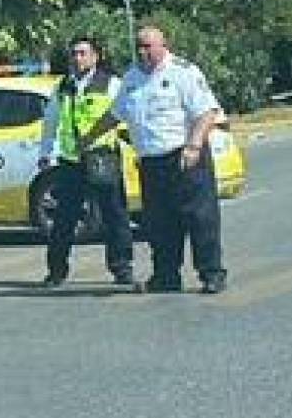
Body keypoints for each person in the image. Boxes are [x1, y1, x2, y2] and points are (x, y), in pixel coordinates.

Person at [78, 25, 227, 294]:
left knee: (200, 219)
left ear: (163, 45)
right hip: (151, 162)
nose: (143, 52)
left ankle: (211, 273)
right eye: (139, 47)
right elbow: (116, 114)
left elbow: (207, 112)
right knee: (159, 223)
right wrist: (89, 137)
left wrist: (194, 145)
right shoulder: (132, 78)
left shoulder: (183, 72)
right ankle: (166, 275)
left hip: (184, 157)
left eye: (148, 46)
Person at [37, 36, 133, 287]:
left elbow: (127, 114)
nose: (77, 59)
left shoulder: (111, 84)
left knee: (114, 215)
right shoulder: (64, 86)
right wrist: (45, 152)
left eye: (82, 53)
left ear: (95, 57)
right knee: (64, 218)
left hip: (102, 156)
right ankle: (57, 271)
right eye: (74, 54)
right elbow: (51, 121)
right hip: (71, 160)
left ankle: (121, 268)